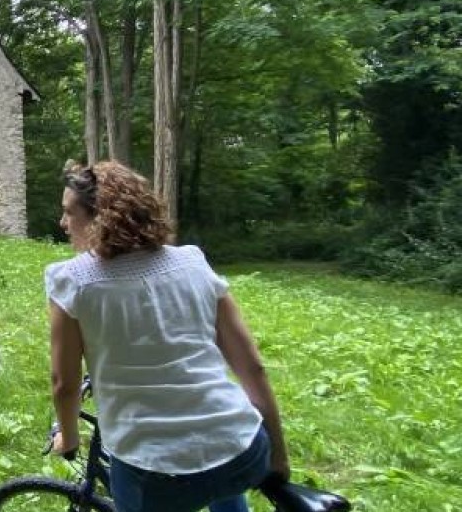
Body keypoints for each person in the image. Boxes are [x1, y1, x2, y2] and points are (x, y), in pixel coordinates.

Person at [43, 161, 289, 512]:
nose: (63, 224)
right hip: (242, 448)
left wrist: (68, 438)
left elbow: (64, 383)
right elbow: (253, 367)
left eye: (70, 213)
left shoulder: (73, 281)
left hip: (153, 470)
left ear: (102, 218)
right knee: (222, 478)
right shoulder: (193, 262)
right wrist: (278, 456)